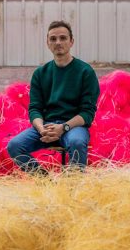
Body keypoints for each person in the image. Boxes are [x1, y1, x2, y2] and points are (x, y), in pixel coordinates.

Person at [7, 20, 100, 173]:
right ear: (47, 43)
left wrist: (63, 127)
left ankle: (75, 184)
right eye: (53, 39)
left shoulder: (85, 71)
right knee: (15, 145)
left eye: (63, 38)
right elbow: (35, 108)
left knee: (77, 142)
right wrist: (41, 129)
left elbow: (87, 113)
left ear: (71, 41)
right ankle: (45, 182)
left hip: (73, 127)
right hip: (46, 126)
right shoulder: (40, 73)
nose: (58, 42)